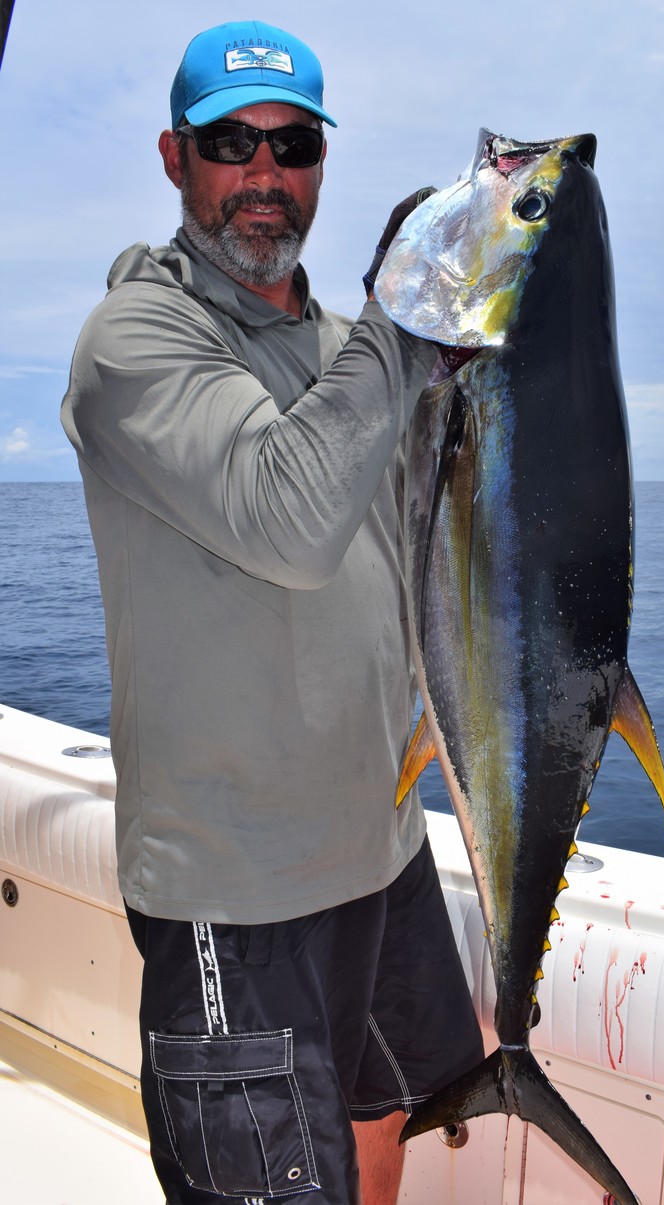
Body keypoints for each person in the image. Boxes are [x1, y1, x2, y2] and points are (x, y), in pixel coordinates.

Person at [60, 19, 484, 1205]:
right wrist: (406, 313)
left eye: (292, 144)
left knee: (382, 1106)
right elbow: (292, 517)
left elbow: (430, 540)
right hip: (238, 890)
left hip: (381, 846)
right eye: (229, 142)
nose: (263, 172)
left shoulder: (347, 350)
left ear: (319, 162)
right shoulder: (134, 342)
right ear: (174, 156)